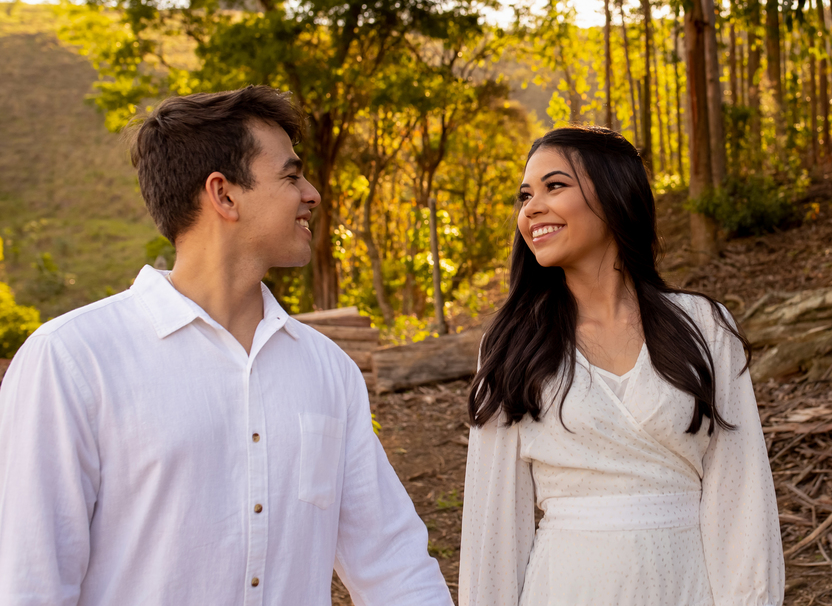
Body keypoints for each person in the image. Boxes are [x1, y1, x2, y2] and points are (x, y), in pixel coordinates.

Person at [0, 86, 452, 606]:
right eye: (290, 175)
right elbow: (31, 582)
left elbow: (391, 561)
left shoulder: (329, 370)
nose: (312, 194)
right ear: (224, 194)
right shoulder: (72, 359)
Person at [459, 126, 784, 606]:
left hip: (687, 584)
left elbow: (741, 495)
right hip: (566, 586)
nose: (531, 208)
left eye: (555, 186)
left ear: (613, 195)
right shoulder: (514, 344)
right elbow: (494, 521)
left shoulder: (703, 327)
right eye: (525, 195)